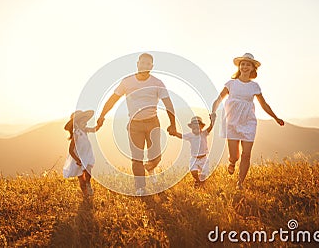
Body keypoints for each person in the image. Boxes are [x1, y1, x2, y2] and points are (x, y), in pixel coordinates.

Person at [96, 53, 177, 196]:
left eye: (148, 64)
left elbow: (168, 103)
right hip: (134, 125)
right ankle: (140, 188)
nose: (145, 66)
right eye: (143, 63)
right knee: (136, 158)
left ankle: (150, 167)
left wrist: (173, 124)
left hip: (153, 123)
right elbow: (112, 99)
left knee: (156, 157)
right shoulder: (127, 82)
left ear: (152, 67)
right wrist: (102, 116)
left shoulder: (157, 83)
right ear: (138, 63)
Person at [211, 53, 284, 190]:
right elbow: (218, 99)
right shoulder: (231, 83)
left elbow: (264, 105)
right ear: (239, 67)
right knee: (235, 156)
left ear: (252, 69)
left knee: (246, 154)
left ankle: (240, 183)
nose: (244, 66)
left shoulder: (254, 86)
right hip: (232, 121)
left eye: (248, 64)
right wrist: (213, 112)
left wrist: (275, 117)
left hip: (248, 122)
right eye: (242, 64)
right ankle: (232, 162)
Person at [171, 115, 216, 188]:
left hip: (203, 158)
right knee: (193, 172)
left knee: (204, 174)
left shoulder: (204, 134)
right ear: (191, 128)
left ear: (202, 127)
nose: (196, 129)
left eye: (198, 127)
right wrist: (175, 133)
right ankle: (197, 180)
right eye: (194, 128)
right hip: (194, 158)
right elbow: (181, 136)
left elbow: (210, 128)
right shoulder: (190, 135)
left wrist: (212, 121)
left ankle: (201, 183)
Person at [63, 110, 99, 196]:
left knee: (88, 172)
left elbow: (94, 129)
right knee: (81, 177)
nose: (85, 123)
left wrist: (99, 124)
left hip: (87, 154)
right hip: (78, 158)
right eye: (83, 122)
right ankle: (85, 194)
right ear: (77, 123)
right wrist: (77, 159)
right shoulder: (76, 134)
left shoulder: (85, 130)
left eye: (85, 121)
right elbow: (71, 150)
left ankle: (88, 183)